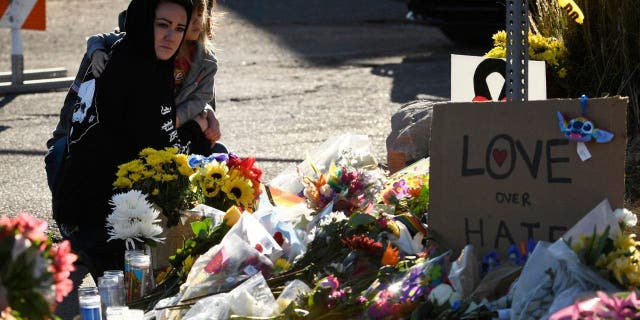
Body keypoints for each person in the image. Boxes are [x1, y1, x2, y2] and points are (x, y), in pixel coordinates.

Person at [52, 0, 209, 280]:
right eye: (162, 25)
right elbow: (165, 150)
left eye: (179, 28)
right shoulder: (134, 72)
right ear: (144, 22)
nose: (171, 36)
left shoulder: (138, 57)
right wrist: (198, 130)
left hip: (95, 201)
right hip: (103, 215)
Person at [44, 0, 223, 192]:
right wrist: (95, 51)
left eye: (201, 13)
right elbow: (93, 125)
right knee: (66, 156)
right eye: (164, 24)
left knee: (219, 155)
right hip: (109, 147)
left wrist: (208, 114)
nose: (198, 20)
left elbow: (199, 102)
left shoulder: (203, 61)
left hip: (165, 138)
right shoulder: (125, 50)